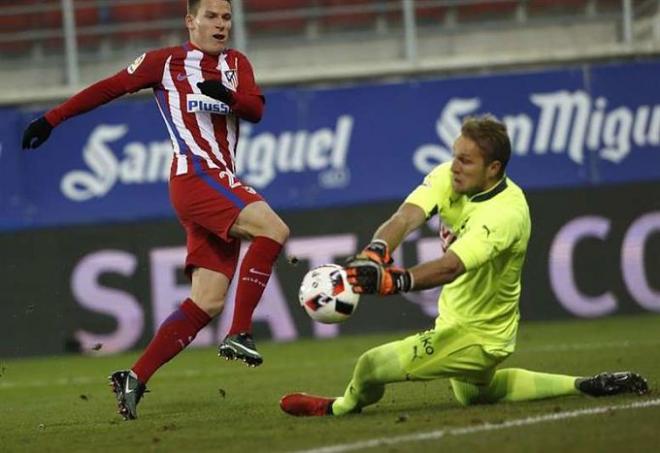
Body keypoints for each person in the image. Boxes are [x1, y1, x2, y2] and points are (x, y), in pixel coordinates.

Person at [22, 0, 289, 420]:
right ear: (191, 21)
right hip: (195, 175)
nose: (221, 25)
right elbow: (108, 87)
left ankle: (134, 376)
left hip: (216, 179)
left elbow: (255, 109)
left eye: (226, 17)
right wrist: (52, 119)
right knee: (273, 230)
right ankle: (240, 333)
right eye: (211, 17)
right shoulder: (164, 63)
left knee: (207, 300)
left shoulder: (238, 63)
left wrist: (231, 98)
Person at [279, 115, 648, 417]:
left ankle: (339, 408)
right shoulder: (449, 176)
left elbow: (450, 267)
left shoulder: (505, 214)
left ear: (494, 168)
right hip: (465, 322)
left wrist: (394, 281)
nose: (454, 167)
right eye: (455, 155)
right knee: (474, 395)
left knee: (371, 366)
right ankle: (587, 384)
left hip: (478, 336)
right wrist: (376, 251)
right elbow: (406, 217)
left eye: (466, 160)